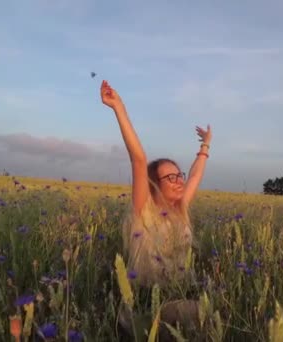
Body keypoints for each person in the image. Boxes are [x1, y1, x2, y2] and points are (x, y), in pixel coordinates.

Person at [100, 80, 211, 340]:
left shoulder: (180, 210)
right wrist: (119, 107)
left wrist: (205, 145)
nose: (179, 180)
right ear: (154, 185)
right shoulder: (143, 212)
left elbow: (194, 177)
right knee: (206, 314)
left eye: (178, 175)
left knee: (214, 311)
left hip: (176, 299)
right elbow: (138, 159)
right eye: (170, 177)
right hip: (145, 308)